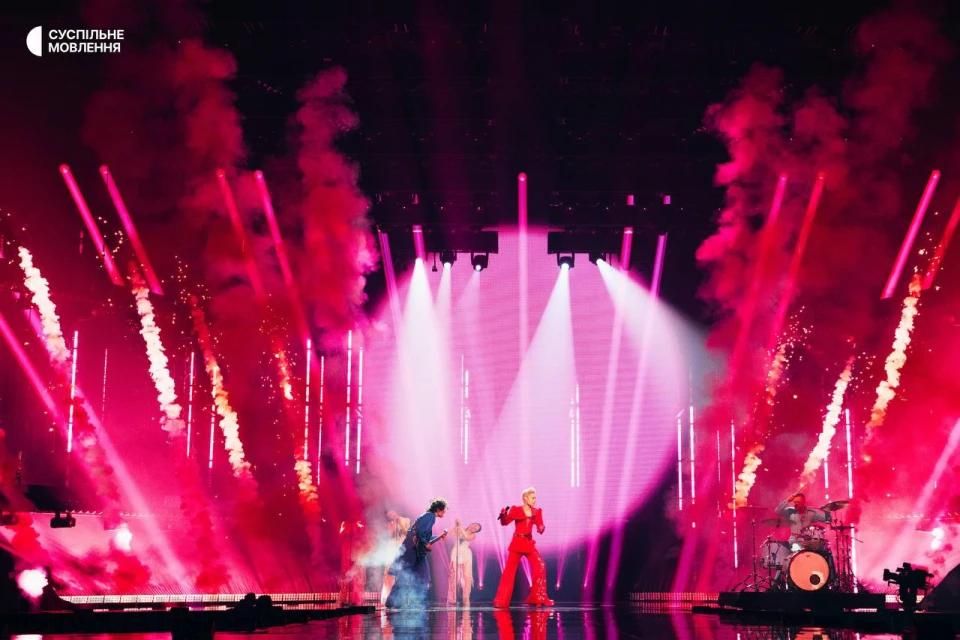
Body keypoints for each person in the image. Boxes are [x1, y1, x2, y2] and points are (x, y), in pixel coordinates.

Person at [493, 487, 554, 607]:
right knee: (509, 572)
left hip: (528, 543)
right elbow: (505, 522)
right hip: (517, 543)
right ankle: (501, 600)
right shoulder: (516, 510)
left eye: (535, 498)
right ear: (525, 498)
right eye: (532, 498)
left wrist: (541, 528)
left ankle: (538, 597)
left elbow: (540, 526)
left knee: (540, 566)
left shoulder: (537, 511)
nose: (535, 500)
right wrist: (503, 515)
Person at [385, 498, 448, 609]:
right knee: (419, 575)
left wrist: (438, 537)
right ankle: (399, 601)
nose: (444, 513)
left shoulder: (427, 516)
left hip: (414, 549)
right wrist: (425, 543)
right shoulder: (430, 516)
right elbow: (419, 532)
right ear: (438, 509)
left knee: (413, 575)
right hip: (413, 549)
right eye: (444, 510)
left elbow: (422, 534)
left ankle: (399, 601)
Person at [447, 519, 480, 606]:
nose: (474, 528)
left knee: (467, 576)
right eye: (474, 525)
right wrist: (456, 526)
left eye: (476, 528)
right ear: (471, 523)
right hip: (456, 552)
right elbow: (450, 533)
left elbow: (466, 537)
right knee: (453, 576)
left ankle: (466, 597)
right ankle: (452, 598)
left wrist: (460, 526)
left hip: (466, 554)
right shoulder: (460, 529)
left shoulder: (473, 535)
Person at [381, 511, 412, 604]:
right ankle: (387, 598)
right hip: (391, 552)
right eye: (389, 515)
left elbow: (407, 531)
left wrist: (398, 519)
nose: (391, 515)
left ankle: (403, 599)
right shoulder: (390, 525)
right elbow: (390, 534)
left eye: (392, 513)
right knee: (389, 575)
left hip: (402, 552)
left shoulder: (405, 521)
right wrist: (392, 525)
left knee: (403, 575)